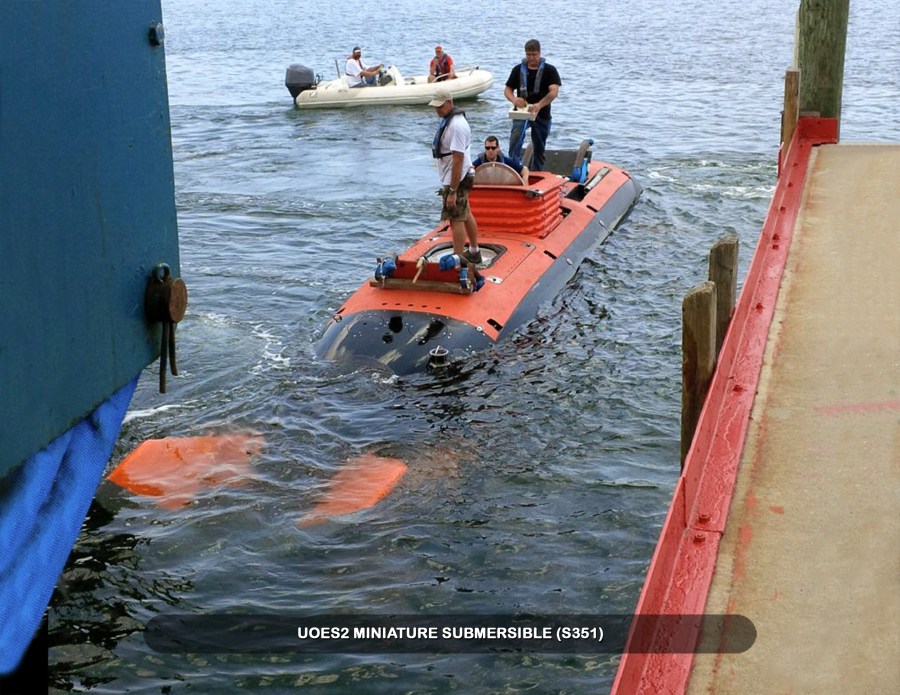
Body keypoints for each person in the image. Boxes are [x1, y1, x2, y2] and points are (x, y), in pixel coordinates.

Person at [428, 88, 481, 265]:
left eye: (440, 107)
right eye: (435, 107)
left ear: (450, 103)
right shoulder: (450, 121)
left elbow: (458, 159)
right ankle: (474, 250)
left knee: (455, 217)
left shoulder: (457, 126)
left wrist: (452, 190)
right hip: (459, 173)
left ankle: (457, 261)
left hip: (457, 176)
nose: (438, 110)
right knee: (466, 212)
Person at [503, 39, 561, 171]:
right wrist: (514, 99)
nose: (531, 58)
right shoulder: (518, 70)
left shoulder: (550, 70)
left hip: (542, 113)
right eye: (528, 54)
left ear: (539, 53)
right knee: (515, 140)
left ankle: (537, 171)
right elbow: (507, 90)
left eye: (534, 54)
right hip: (522, 112)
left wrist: (539, 105)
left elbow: (554, 91)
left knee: (539, 146)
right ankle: (514, 168)